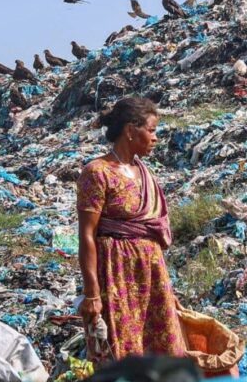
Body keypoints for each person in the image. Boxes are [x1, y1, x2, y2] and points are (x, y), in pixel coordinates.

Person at [76, 96, 186, 362]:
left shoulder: (143, 172)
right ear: (129, 130)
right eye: (151, 130)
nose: (156, 137)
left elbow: (152, 229)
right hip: (117, 275)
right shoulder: (97, 172)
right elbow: (87, 235)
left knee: (164, 349)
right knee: (122, 349)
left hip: (152, 274)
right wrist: (92, 293)